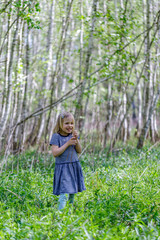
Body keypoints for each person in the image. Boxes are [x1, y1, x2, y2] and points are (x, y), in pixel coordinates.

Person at [50, 112, 86, 210]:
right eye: (66, 123)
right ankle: (60, 214)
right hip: (63, 168)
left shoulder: (73, 136)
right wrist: (68, 143)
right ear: (60, 124)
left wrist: (76, 140)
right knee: (64, 193)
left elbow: (79, 151)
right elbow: (55, 153)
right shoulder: (56, 137)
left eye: (72, 123)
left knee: (72, 192)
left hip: (73, 166)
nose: (70, 126)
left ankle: (69, 212)